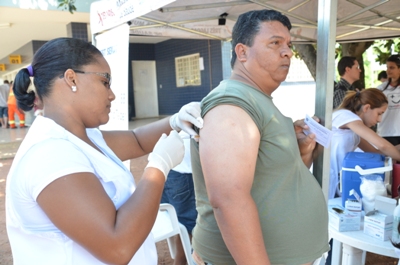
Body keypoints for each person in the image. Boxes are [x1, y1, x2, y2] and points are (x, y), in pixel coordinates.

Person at [5, 37, 203, 265]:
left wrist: (176, 121)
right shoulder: (50, 155)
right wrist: (158, 167)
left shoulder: (81, 137)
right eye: (105, 82)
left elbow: (137, 140)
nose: (112, 95)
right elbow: (117, 247)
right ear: (71, 78)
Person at [190, 9, 329, 265]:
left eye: (288, 44)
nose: (287, 51)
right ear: (242, 52)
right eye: (275, 43)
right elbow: (228, 199)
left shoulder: (256, 100)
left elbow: (276, 182)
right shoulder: (232, 104)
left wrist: (301, 150)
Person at [329, 88, 400, 199]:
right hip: (329, 181)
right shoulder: (346, 116)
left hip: (337, 182)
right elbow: (383, 145)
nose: (380, 120)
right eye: (379, 113)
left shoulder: (354, 128)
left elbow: (376, 152)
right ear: (366, 108)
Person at [161, 131, 197, 265]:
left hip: (168, 166)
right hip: (185, 171)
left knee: (179, 222)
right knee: (188, 225)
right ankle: (181, 261)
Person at [377, 54, 400, 145]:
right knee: (388, 159)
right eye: (387, 67)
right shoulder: (381, 88)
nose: (388, 70)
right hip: (385, 132)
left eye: (392, 67)